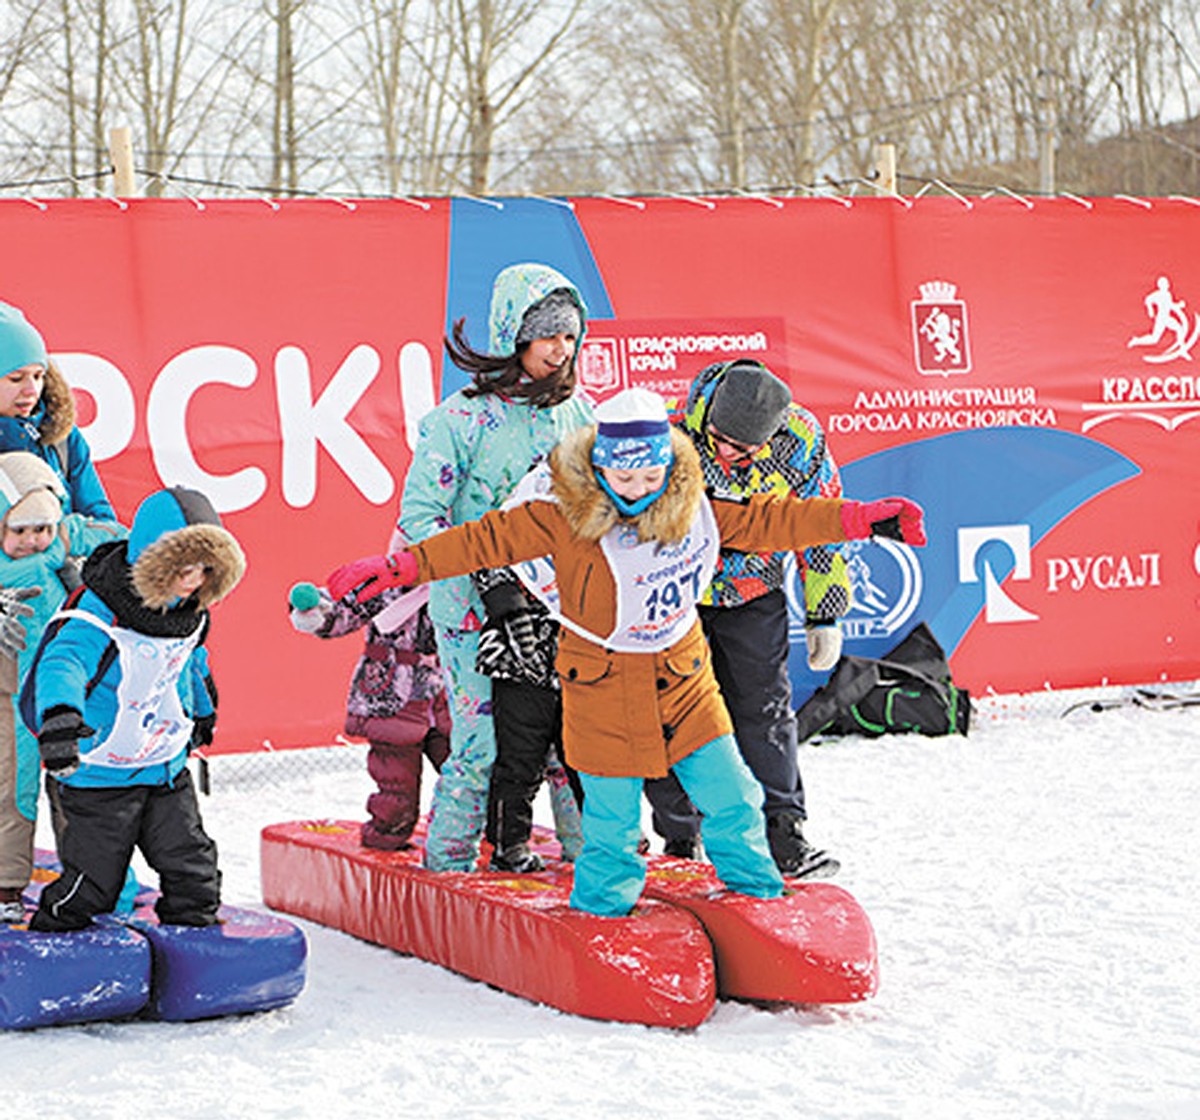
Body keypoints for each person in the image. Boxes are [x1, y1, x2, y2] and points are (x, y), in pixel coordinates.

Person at [327, 387, 926, 918]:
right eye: (624, 479)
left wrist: (862, 520)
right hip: (601, 685)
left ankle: (757, 898)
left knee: (734, 795)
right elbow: (482, 540)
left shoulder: (693, 506)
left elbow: (775, 521)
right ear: (600, 469)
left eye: (649, 479)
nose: (638, 492)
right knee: (611, 825)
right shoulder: (561, 517)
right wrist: (396, 568)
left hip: (684, 678)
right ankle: (603, 914)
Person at [396, 263, 593, 872]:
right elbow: (419, 519)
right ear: (515, 335)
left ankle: (592, 858)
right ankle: (449, 866)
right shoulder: (459, 421)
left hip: (558, 601)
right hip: (473, 606)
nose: (560, 350)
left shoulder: (579, 413)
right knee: (482, 743)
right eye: (547, 335)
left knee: (570, 739)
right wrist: (485, 571)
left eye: (569, 335)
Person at [643, 360, 849, 877]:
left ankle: (783, 832)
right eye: (720, 440)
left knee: (763, 708)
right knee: (671, 710)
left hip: (753, 588)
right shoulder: (670, 432)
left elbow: (820, 522)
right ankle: (681, 834)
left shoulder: (800, 440)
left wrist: (824, 610)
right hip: (676, 591)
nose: (728, 454)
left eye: (744, 448)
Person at [24, 485, 245, 933]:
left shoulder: (190, 611)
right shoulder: (100, 610)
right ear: (153, 562)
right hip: (101, 770)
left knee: (193, 867)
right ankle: (55, 932)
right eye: (182, 569)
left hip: (164, 766)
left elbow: (188, 662)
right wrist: (61, 720)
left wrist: (202, 710)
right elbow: (64, 661)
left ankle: (195, 945)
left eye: (204, 570)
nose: (193, 580)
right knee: (95, 880)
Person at [0, 452, 125, 923]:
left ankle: (97, 881)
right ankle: (7, 882)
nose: (33, 541)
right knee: (12, 789)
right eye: (19, 530)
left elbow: (117, 536)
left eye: (42, 529)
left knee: (78, 784)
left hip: (61, 692)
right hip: (9, 696)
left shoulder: (62, 542)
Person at [287, 527, 452, 852]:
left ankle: (460, 838)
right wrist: (316, 612)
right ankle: (387, 837)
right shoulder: (384, 584)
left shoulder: (456, 586)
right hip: (393, 694)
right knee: (396, 782)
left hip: (445, 695)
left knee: (464, 769)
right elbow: (344, 610)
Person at [474, 561, 585, 872]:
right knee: (520, 759)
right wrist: (514, 617)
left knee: (587, 757)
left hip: (580, 656)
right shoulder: (508, 521)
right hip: (518, 661)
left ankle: (603, 841)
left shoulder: (594, 520)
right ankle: (509, 844)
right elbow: (490, 570)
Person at [0, 301, 117, 519]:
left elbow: (104, 524)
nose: (31, 390)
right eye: (16, 379)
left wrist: (61, 539)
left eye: (38, 376)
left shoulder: (60, 436)